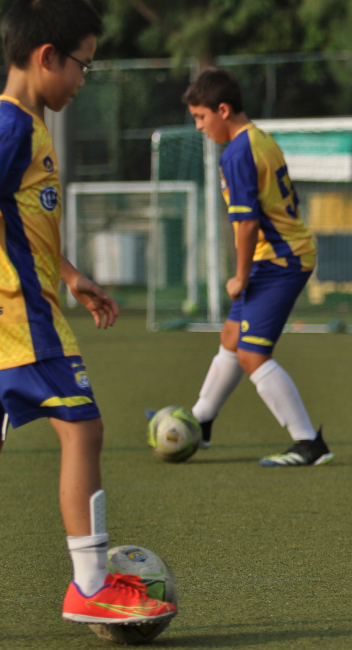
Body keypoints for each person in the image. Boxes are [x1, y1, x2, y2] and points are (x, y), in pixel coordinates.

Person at [0, 0, 177, 625]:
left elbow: (23, 225)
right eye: (83, 65)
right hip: (22, 323)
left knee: (82, 430)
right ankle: (92, 583)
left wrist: (71, 276)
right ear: (47, 57)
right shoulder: (11, 126)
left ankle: (93, 580)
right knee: (84, 429)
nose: (83, 79)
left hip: (34, 313)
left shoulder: (30, 126)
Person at [180, 68, 332, 467]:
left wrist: (241, 276)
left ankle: (308, 443)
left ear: (223, 110)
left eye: (201, 117)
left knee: (252, 355)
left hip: (280, 260)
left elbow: (246, 222)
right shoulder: (257, 137)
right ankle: (201, 420)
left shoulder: (236, 152)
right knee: (232, 335)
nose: (199, 126)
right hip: (281, 255)